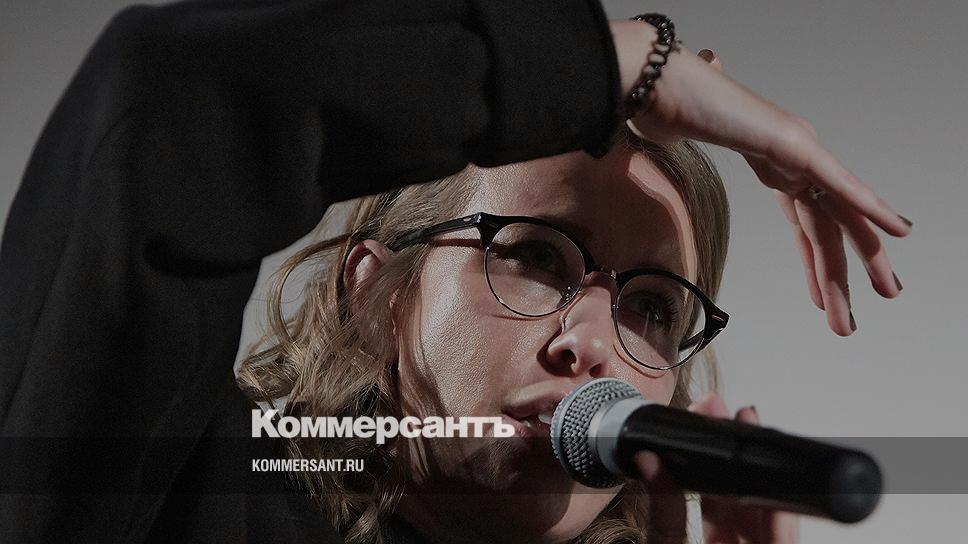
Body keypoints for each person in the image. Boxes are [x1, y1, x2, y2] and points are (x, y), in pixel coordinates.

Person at [0, 1, 910, 543]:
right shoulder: (188, 493)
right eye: (536, 255)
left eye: (651, 309)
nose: (593, 346)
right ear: (373, 295)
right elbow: (168, 102)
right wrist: (615, 65)